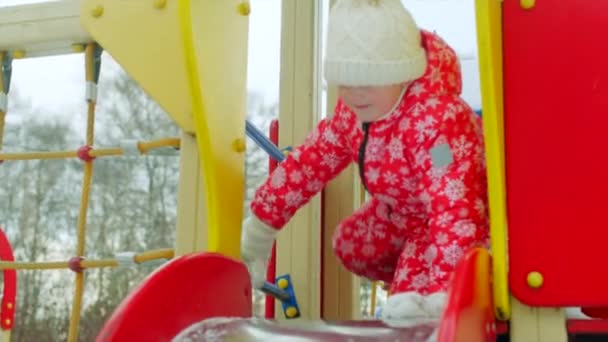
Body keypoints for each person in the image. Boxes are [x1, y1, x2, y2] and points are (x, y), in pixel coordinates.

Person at [241, 0, 489, 320]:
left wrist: (447, 292)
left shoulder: (437, 125)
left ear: (402, 73)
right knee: (351, 242)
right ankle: (416, 273)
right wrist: (258, 234)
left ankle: (430, 282)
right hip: (402, 216)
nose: (355, 95)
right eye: (346, 82)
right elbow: (306, 166)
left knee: (408, 316)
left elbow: (455, 209)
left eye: (368, 81)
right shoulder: (353, 116)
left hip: (456, 224)